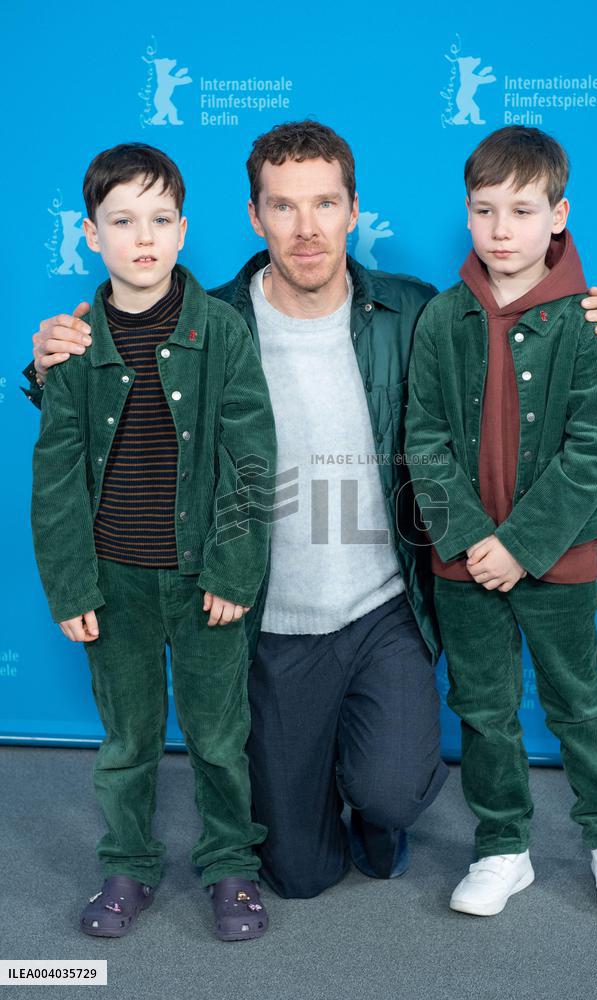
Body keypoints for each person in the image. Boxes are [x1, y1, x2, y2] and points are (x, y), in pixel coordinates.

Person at [23, 121, 597, 901]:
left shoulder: (416, 312)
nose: (305, 229)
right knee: (297, 873)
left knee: (389, 789)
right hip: (270, 616)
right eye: (283, 207)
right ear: (253, 216)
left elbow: (518, 350)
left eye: (324, 204)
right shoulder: (205, 323)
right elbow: (120, 383)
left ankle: (381, 798)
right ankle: (311, 784)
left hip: (381, 609)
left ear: (353, 210)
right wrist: (46, 367)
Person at [30, 143, 276, 939]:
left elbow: (251, 460)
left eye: (161, 219)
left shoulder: (224, 333)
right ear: (91, 234)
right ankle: (128, 865)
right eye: (122, 220)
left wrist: (235, 569)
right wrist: (71, 586)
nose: (144, 236)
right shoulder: (73, 345)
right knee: (127, 738)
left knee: (216, 735)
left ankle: (231, 864)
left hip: (206, 575)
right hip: (115, 582)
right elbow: (57, 476)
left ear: (183, 230)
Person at [405, 125, 597, 917]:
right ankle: (503, 846)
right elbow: (425, 437)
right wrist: (477, 540)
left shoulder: (587, 321)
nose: (501, 228)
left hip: (558, 558)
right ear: (467, 216)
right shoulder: (442, 319)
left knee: (579, 699)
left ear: (559, 215)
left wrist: (523, 545)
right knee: (482, 707)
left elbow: (594, 447)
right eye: (484, 210)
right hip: (464, 561)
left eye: (521, 209)